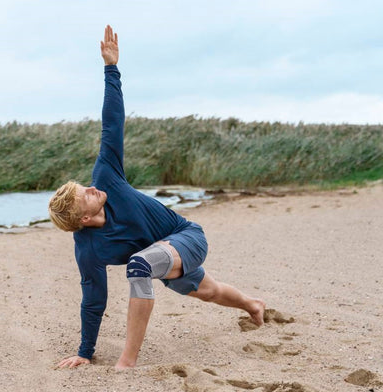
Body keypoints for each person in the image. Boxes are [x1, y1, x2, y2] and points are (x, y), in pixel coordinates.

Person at [49, 25, 265, 370]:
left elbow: (112, 124)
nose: (91, 188)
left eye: (84, 186)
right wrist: (85, 352)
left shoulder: (106, 176)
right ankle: (254, 304)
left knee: (138, 266)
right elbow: (93, 300)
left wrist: (110, 68)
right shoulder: (88, 250)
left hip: (186, 236)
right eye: (84, 196)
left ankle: (127, 361)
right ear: (84, 220)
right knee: (209, 291)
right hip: (161, 257)